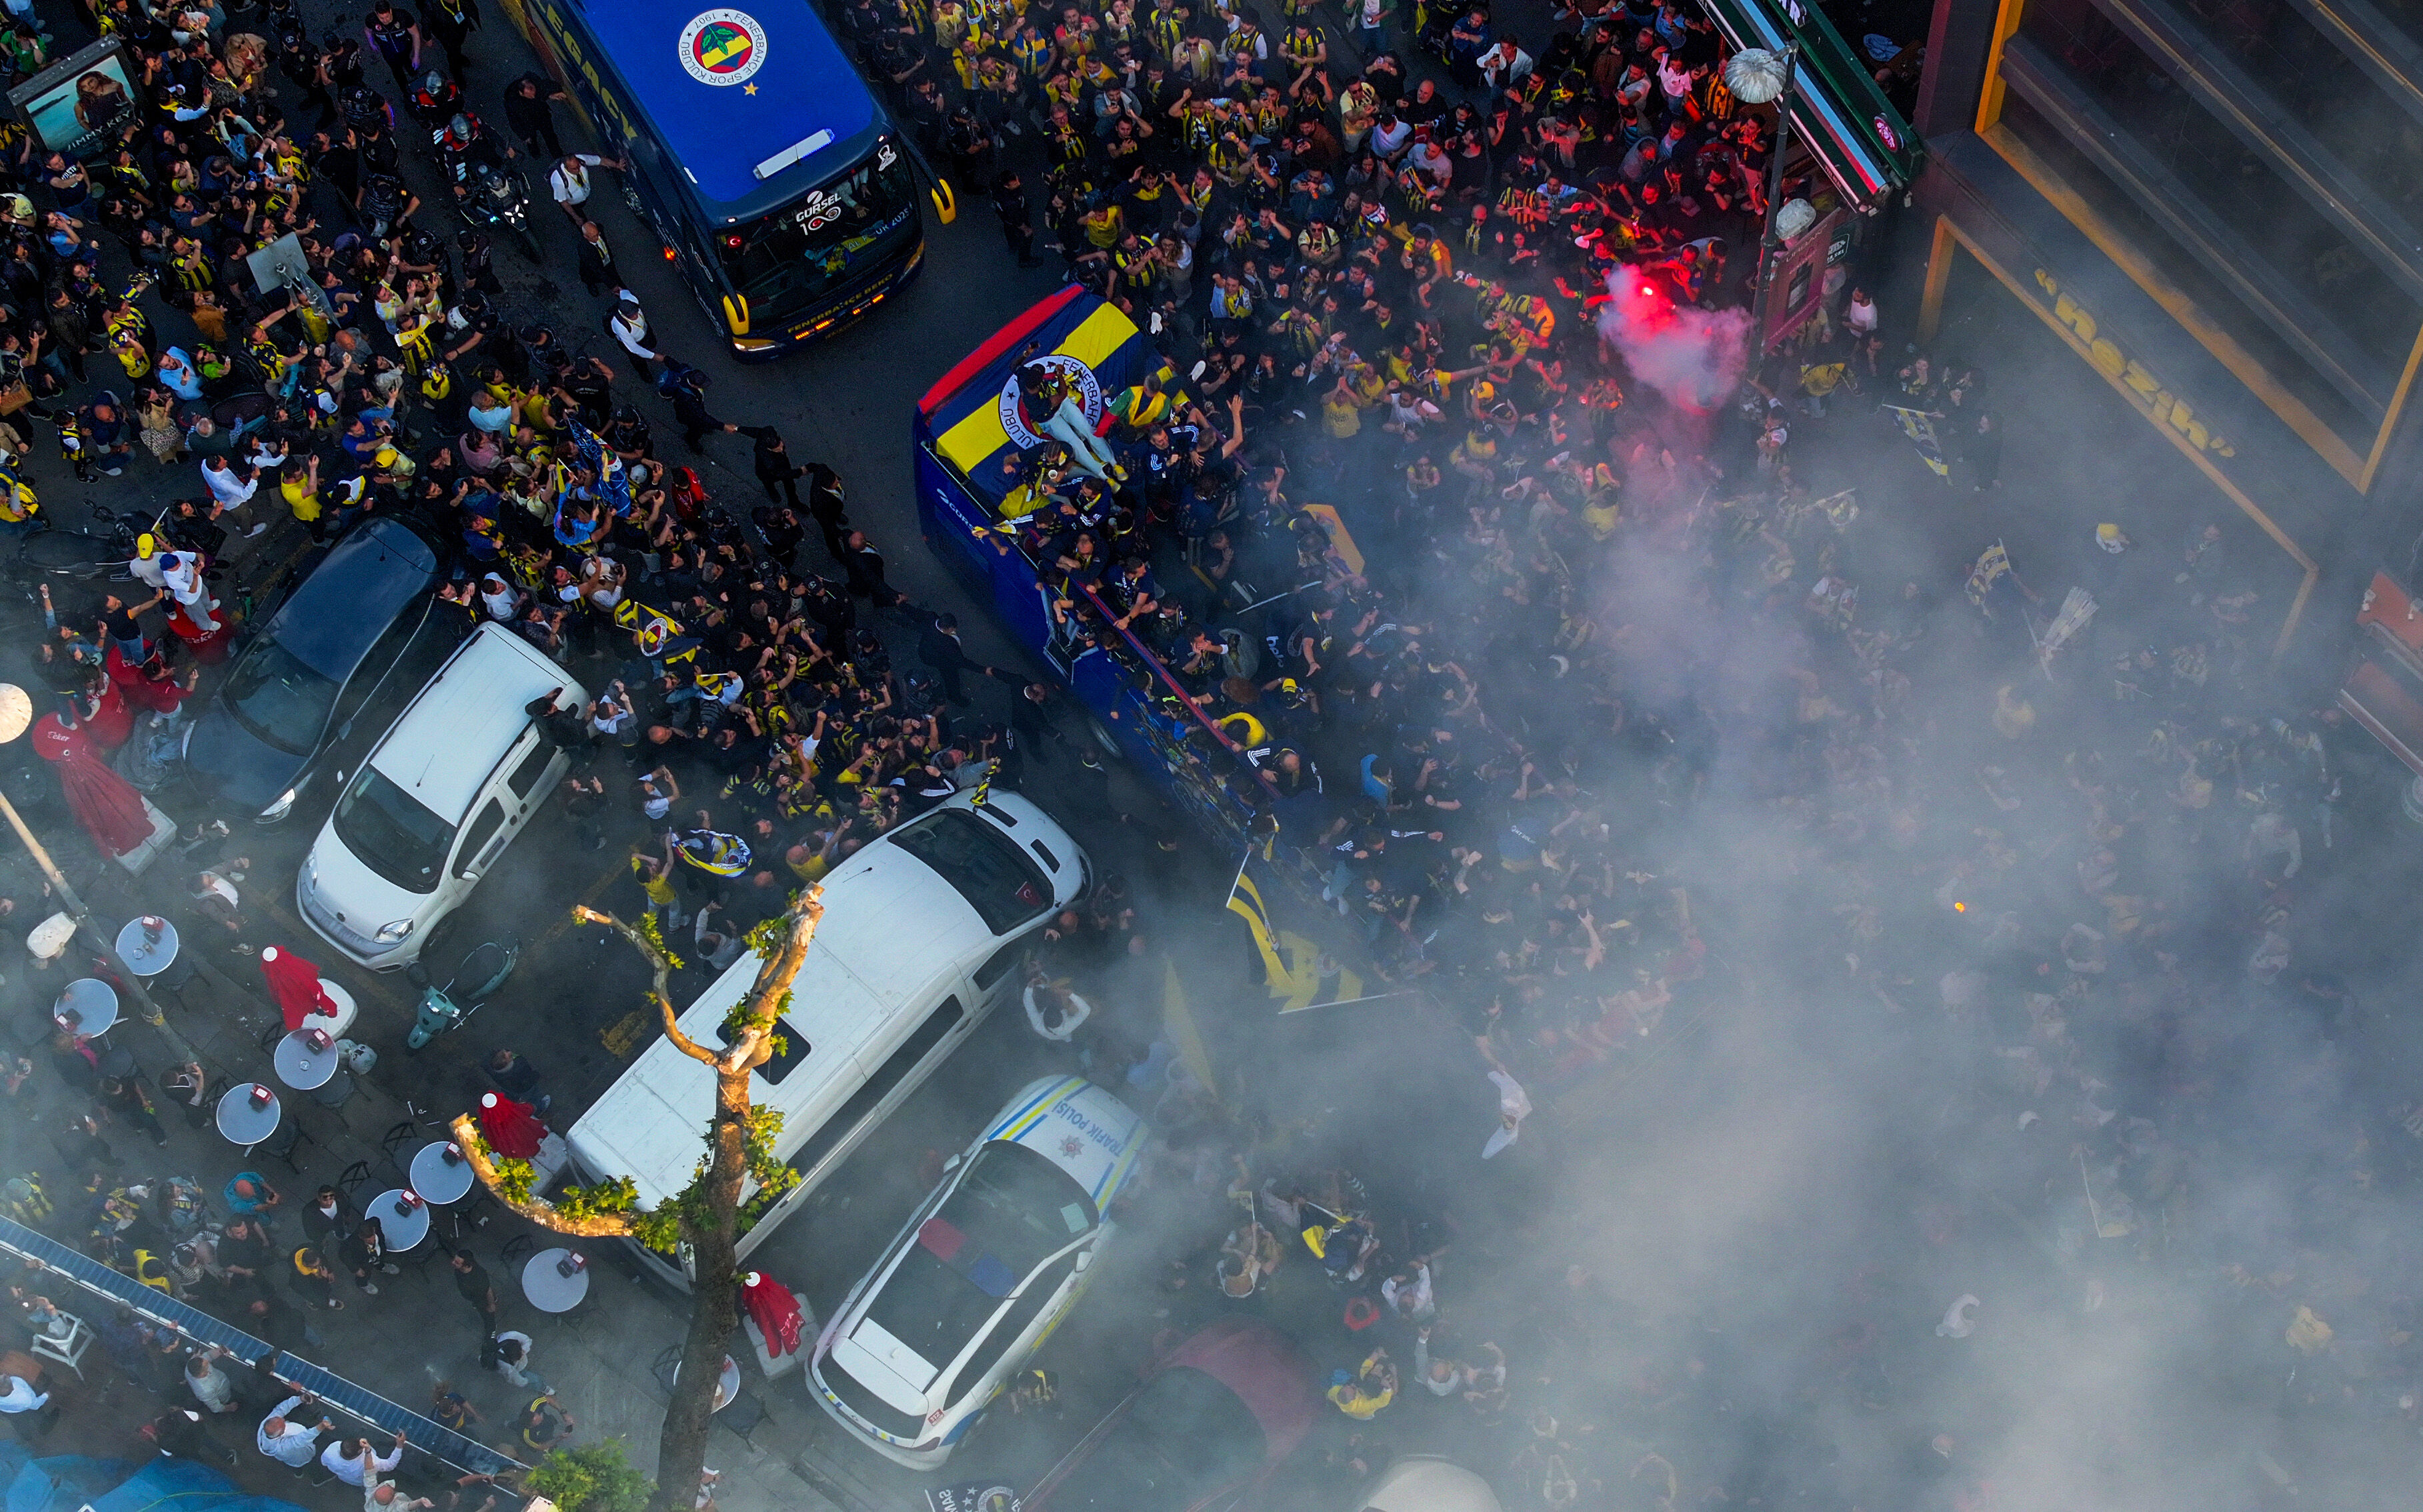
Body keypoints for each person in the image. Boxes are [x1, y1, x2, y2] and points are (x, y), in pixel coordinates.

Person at [257, 1394, 333, 1468]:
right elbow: (302, 1439)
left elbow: (281, 1409)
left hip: (297, 1447)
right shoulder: (283, 1448)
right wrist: (322, 1426)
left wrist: (300, 1399)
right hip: (302, 1457)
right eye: (283, 1423)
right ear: (280, 1434)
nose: (283, 1419)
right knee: (305, 1465)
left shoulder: (269, 1423)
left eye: (281, 1419)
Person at [325, 1432, 405, 1487]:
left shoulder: (331, 1450)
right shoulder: (372, 1462)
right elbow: (390, 1465)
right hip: (361, 1482)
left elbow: (324, 1463)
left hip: (347, 1478)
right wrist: (399, 1445)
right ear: (359, 1452)